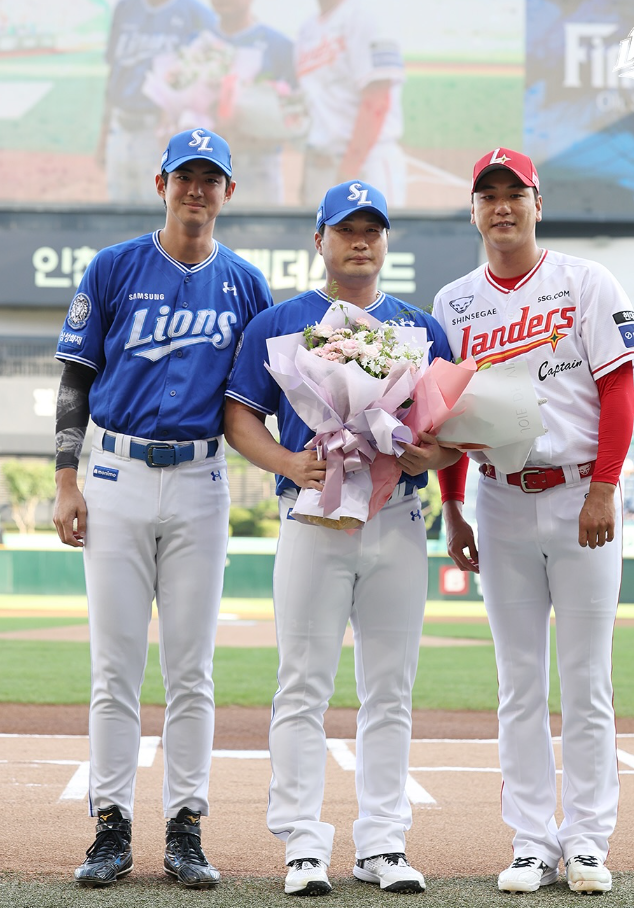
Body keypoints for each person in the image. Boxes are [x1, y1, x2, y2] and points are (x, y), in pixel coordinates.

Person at [225, 180, 460, 895]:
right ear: (319, 239)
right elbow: (239, 417)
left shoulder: (421, 327)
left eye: (372, 230)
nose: (361, 241)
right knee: (302, 683)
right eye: (346, 229)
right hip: (313, 515)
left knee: (390, 688)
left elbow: (453, 433)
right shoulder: (279, 322)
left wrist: (429, 455)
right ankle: (302, 844)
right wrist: (288, 462)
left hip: (398, 516)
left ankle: (383, 843)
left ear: (386, 241)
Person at [53, 128, 273, 888]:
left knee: (191, 668)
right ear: (162, 183)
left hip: (201, 479)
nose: (196, 189)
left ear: (228, 192)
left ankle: (186, 827)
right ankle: (111, 827)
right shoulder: (114, 266)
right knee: (114, 667)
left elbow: (262, 396)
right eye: (186, 176)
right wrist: (65, 479)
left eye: (211, 178)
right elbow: (75, 379)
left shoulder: (246, 284)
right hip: (114, 474)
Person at [433, 148, 634, 894]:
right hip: (497, 497)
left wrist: (605, 487)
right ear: (473, 210)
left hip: (578, 491)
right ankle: (531, 840)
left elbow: (618, 391)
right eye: (487, 194)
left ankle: (586, 839)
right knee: (519, 680)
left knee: (587, 678)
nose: (502, 205)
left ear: (537, 203)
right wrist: (452, 506)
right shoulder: (454, 303)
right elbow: (447, 415)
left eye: (514, 192)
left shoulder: (586, 282)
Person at [99, 0, 217, 203]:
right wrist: (103, 136)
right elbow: (114, 77)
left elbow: (214, 78)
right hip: (120, 129)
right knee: (119, 209)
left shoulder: (196, 12)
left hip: (164, 133)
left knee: (160, 211)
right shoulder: (126, 7)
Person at [296, 0, 406, 207]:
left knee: (374, 228)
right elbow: (314, 106)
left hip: (367, 162)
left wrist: (349, 170)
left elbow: (377, 99)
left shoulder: (366, 16)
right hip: (322, 164)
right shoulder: (307, 29)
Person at [211, 0, 298, 206]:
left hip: (260, 164)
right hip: (207, 164)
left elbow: (295, 115)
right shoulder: (199, 40)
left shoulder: (279, 46)